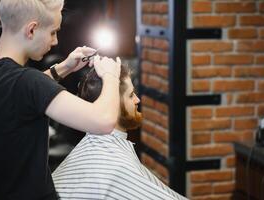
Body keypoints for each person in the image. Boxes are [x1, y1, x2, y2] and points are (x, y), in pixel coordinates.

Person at [0, 0, 121, 199]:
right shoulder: (27, 81)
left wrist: (64, 67)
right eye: (52, 32)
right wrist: (111, 76)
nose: (55, 41)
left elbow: (20, 91)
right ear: (31, 30)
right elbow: (103, 121)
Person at [52, 65, 188, 200]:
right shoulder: (116, 166)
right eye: (130, 95)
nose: (137, 100)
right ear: (113, 104)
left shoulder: (92, 146)